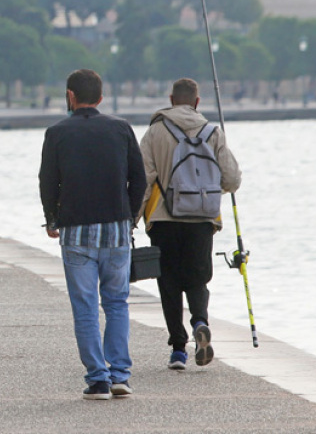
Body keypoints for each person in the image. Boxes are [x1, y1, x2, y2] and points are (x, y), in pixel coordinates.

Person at [39, 69, 146, 400]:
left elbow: (47, 182)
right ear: (100, 97)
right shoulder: (121, 128)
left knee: (85, 306)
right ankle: (120, 376)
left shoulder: (56, 133)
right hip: (116, 230)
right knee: (117, 303)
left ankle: (97, 379)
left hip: (76, 232)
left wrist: (52, 219)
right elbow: (139, 180)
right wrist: (128, 218)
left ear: (70, 96)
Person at [138, 78, 241, 370]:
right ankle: (200, 322)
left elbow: (143, 179)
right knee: (198, 279)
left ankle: (178, 350)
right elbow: (232, 179)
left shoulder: (155, 131)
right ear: (197, 102)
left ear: (171, 100)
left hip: (163, 219)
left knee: (168, 283)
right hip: (202, 220)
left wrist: (133, 218)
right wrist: (206, 193)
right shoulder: (213, 132)